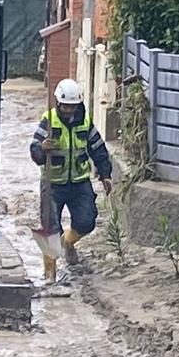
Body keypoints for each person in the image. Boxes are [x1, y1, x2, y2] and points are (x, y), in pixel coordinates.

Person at [30, 79, 113, 281]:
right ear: (58, 103)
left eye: (72, 106)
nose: (68, 110)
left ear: (78, 105)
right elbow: (34, 149)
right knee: (50, 229)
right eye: (65, 106)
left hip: (79, 182)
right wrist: (42, 149)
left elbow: (98, 149)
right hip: (53, 184)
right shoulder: (48, 121)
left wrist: (105, 174)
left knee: (87, 221)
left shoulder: (85, 122)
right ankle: (50, 275)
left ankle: (68, 241)